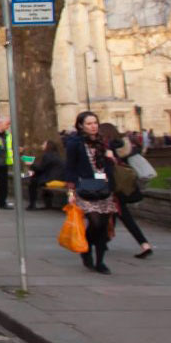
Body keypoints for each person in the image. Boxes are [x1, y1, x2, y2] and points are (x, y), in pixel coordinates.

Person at [65, 110, 119, 275]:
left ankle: (100, 261)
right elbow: (70, 168)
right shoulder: (75, 143)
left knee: (103, 226)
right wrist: (70, 192)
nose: (93, 126)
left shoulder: (103, 142)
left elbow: (111, 165)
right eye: (89, 123)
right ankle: (86, 250)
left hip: (103, 187)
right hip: (86, 187)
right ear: (81, 125)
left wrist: (111, 158)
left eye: (95, 123)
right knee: (95, 223)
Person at [102, 122, 152, 259]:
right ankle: (105, 241)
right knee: (116, 215)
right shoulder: (125, 146)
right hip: (125, 186)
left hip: (112, 188)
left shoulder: (106, 147)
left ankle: (101, 242)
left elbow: (106, 171)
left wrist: (92, 179)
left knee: (112, 216)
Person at [26, 139, 65, 210]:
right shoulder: (56, 155)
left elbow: (41, 168)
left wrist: (31, 164)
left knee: (33, 182)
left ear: (48, 146)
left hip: (53, 179)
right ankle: (48, 204)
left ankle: (32, 205)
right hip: (59, 178)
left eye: (44, 144)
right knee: (37, 180)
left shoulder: (47, 155)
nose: (42, 146)